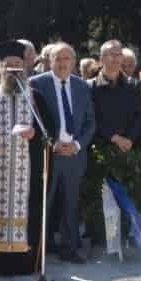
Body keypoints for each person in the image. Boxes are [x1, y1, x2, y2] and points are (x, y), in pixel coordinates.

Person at [0, 41, 50, 274]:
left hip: (27, 170)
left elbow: (49, 129)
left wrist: (34, 133)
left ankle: (27, 264)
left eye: (18, 65)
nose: (14, 70)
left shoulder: (35, 97)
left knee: (29, 211)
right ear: (1, 68)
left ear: (26, 67)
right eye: (9, 66)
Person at [31, 43, 96, 264]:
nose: (62, 63)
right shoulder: (36, 84)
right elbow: (33, 120)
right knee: (43, 203)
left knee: (71, 203)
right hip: (48, 154)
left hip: (74, 155)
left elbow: (90, 122)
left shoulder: (82, 86)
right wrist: (51, 144)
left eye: (67, 58)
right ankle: (37, 250)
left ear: (74, 61)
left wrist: (77, 145)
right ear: (49, 61)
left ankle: (69, 248)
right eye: (57, 58)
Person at [90, 40, 141, 152]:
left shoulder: (134, 86)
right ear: (101, 59)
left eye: (119, 55)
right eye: (112, 55)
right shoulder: (89, 87)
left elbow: (140, 116)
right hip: (98, 151)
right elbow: (90, 119)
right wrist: (114, 137)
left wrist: (130, 139)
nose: (116, 58)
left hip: (129, 151)